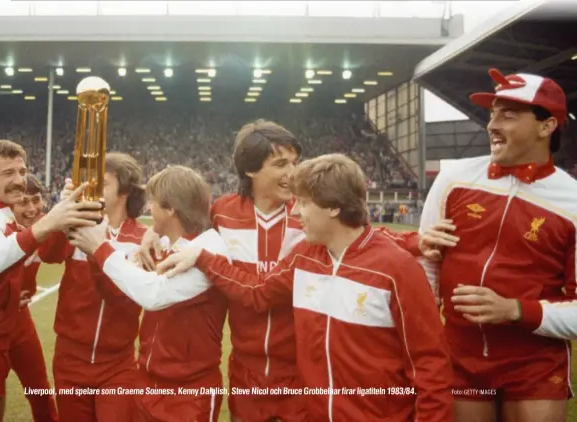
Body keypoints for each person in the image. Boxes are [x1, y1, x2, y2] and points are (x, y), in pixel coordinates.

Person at [160, 153, 454, 422]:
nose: (296, 213)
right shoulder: (304, 258)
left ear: (334, 208)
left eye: (303, 203)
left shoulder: (397, 269)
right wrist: (201, 256)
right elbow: (256, 293)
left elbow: (430, 368)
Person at [418, 68, 577, 422]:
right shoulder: (453, 178)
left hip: (534, 364)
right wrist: (425, 338)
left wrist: (516, 310)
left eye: (508, 114)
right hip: (459, 355)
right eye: (492, 113)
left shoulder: (573, 201)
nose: (492, 124)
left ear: (546, 126)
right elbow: (427, 263)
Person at [68, 165, 230, 422]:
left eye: (153, 203)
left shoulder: (209, 249)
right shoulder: (166, 242)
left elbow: (153, 295)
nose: (147, 209)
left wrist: (100, 248)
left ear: (170, 209)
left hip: (188, 393)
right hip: (147, 382)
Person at [0, 139, 102, 422]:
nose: (19, 180)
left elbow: (48, 252)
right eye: (8, 173)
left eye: (22, 171)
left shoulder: (2, 215)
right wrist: (49, 222)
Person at [38, 152, 147, 422]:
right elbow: (48, 254)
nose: (92, 188)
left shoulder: (142, 239)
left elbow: (123, 300)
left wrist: (97, 251)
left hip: (117, 364)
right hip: (70, 360)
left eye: (103, 183)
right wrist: (61, 213)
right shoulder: (78, 225)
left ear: (125, 192)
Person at [10, 174, 59, 422]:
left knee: (39, 389)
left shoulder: (45, 230)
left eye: (36, 200)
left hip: (20, 323)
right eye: (23, 202)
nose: (32, 209)